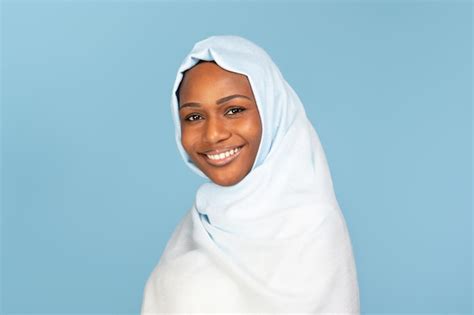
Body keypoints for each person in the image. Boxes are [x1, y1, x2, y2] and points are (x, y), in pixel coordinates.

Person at [141, 35, 360, 313]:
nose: (214, 134)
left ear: (272, 113)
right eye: (194, 117)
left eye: (234, 110)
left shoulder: (312, 225)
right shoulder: (196, 225)